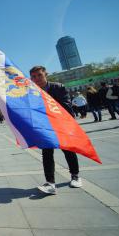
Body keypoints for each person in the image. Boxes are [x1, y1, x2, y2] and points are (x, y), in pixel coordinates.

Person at [30, 66, 82, 194]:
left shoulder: (58, 87)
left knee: (68, 150)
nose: (37, 79)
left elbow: (66, 106)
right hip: (45, 127)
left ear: (45, 74)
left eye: (39, 75)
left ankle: (75, 175)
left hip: (61, 124)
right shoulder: (31, 92)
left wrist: (47, 103)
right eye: (34, 77)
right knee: (47, 153)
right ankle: (50, 183)